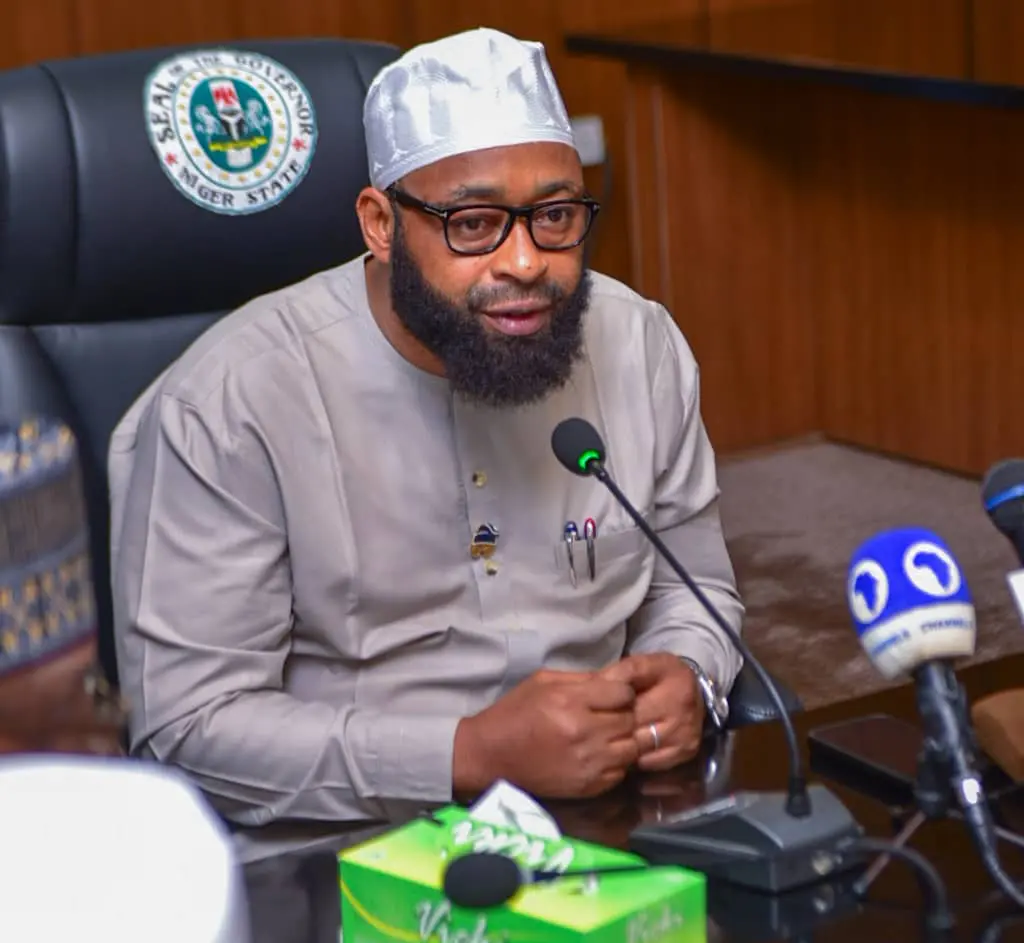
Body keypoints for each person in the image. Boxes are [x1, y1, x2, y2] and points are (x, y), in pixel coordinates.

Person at [108, 27, 745, 829]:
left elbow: (695, 590)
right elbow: (187, 727)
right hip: (342, 843)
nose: (525, 261)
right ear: (380, 224)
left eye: (554, 215)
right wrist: (466, 752)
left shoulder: (638, 344)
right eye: (473, 223)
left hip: (607, 810)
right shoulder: (232, 401)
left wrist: (690, 675)